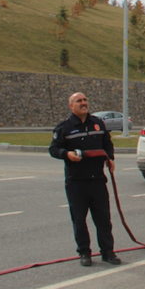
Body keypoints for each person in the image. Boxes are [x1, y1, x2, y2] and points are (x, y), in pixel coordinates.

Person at [49, 92, 121, 267]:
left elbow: (107, 144)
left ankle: (108, 252)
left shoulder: (98, 123)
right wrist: (67, 154)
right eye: (78, 101)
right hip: (76, 182)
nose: (83, 103)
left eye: (85, 100)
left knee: (103, 219)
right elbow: (53, 149)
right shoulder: (64, 128)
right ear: (71, 106)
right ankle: (84, 253)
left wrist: (109, 158)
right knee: (79, 220)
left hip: (97, 180)